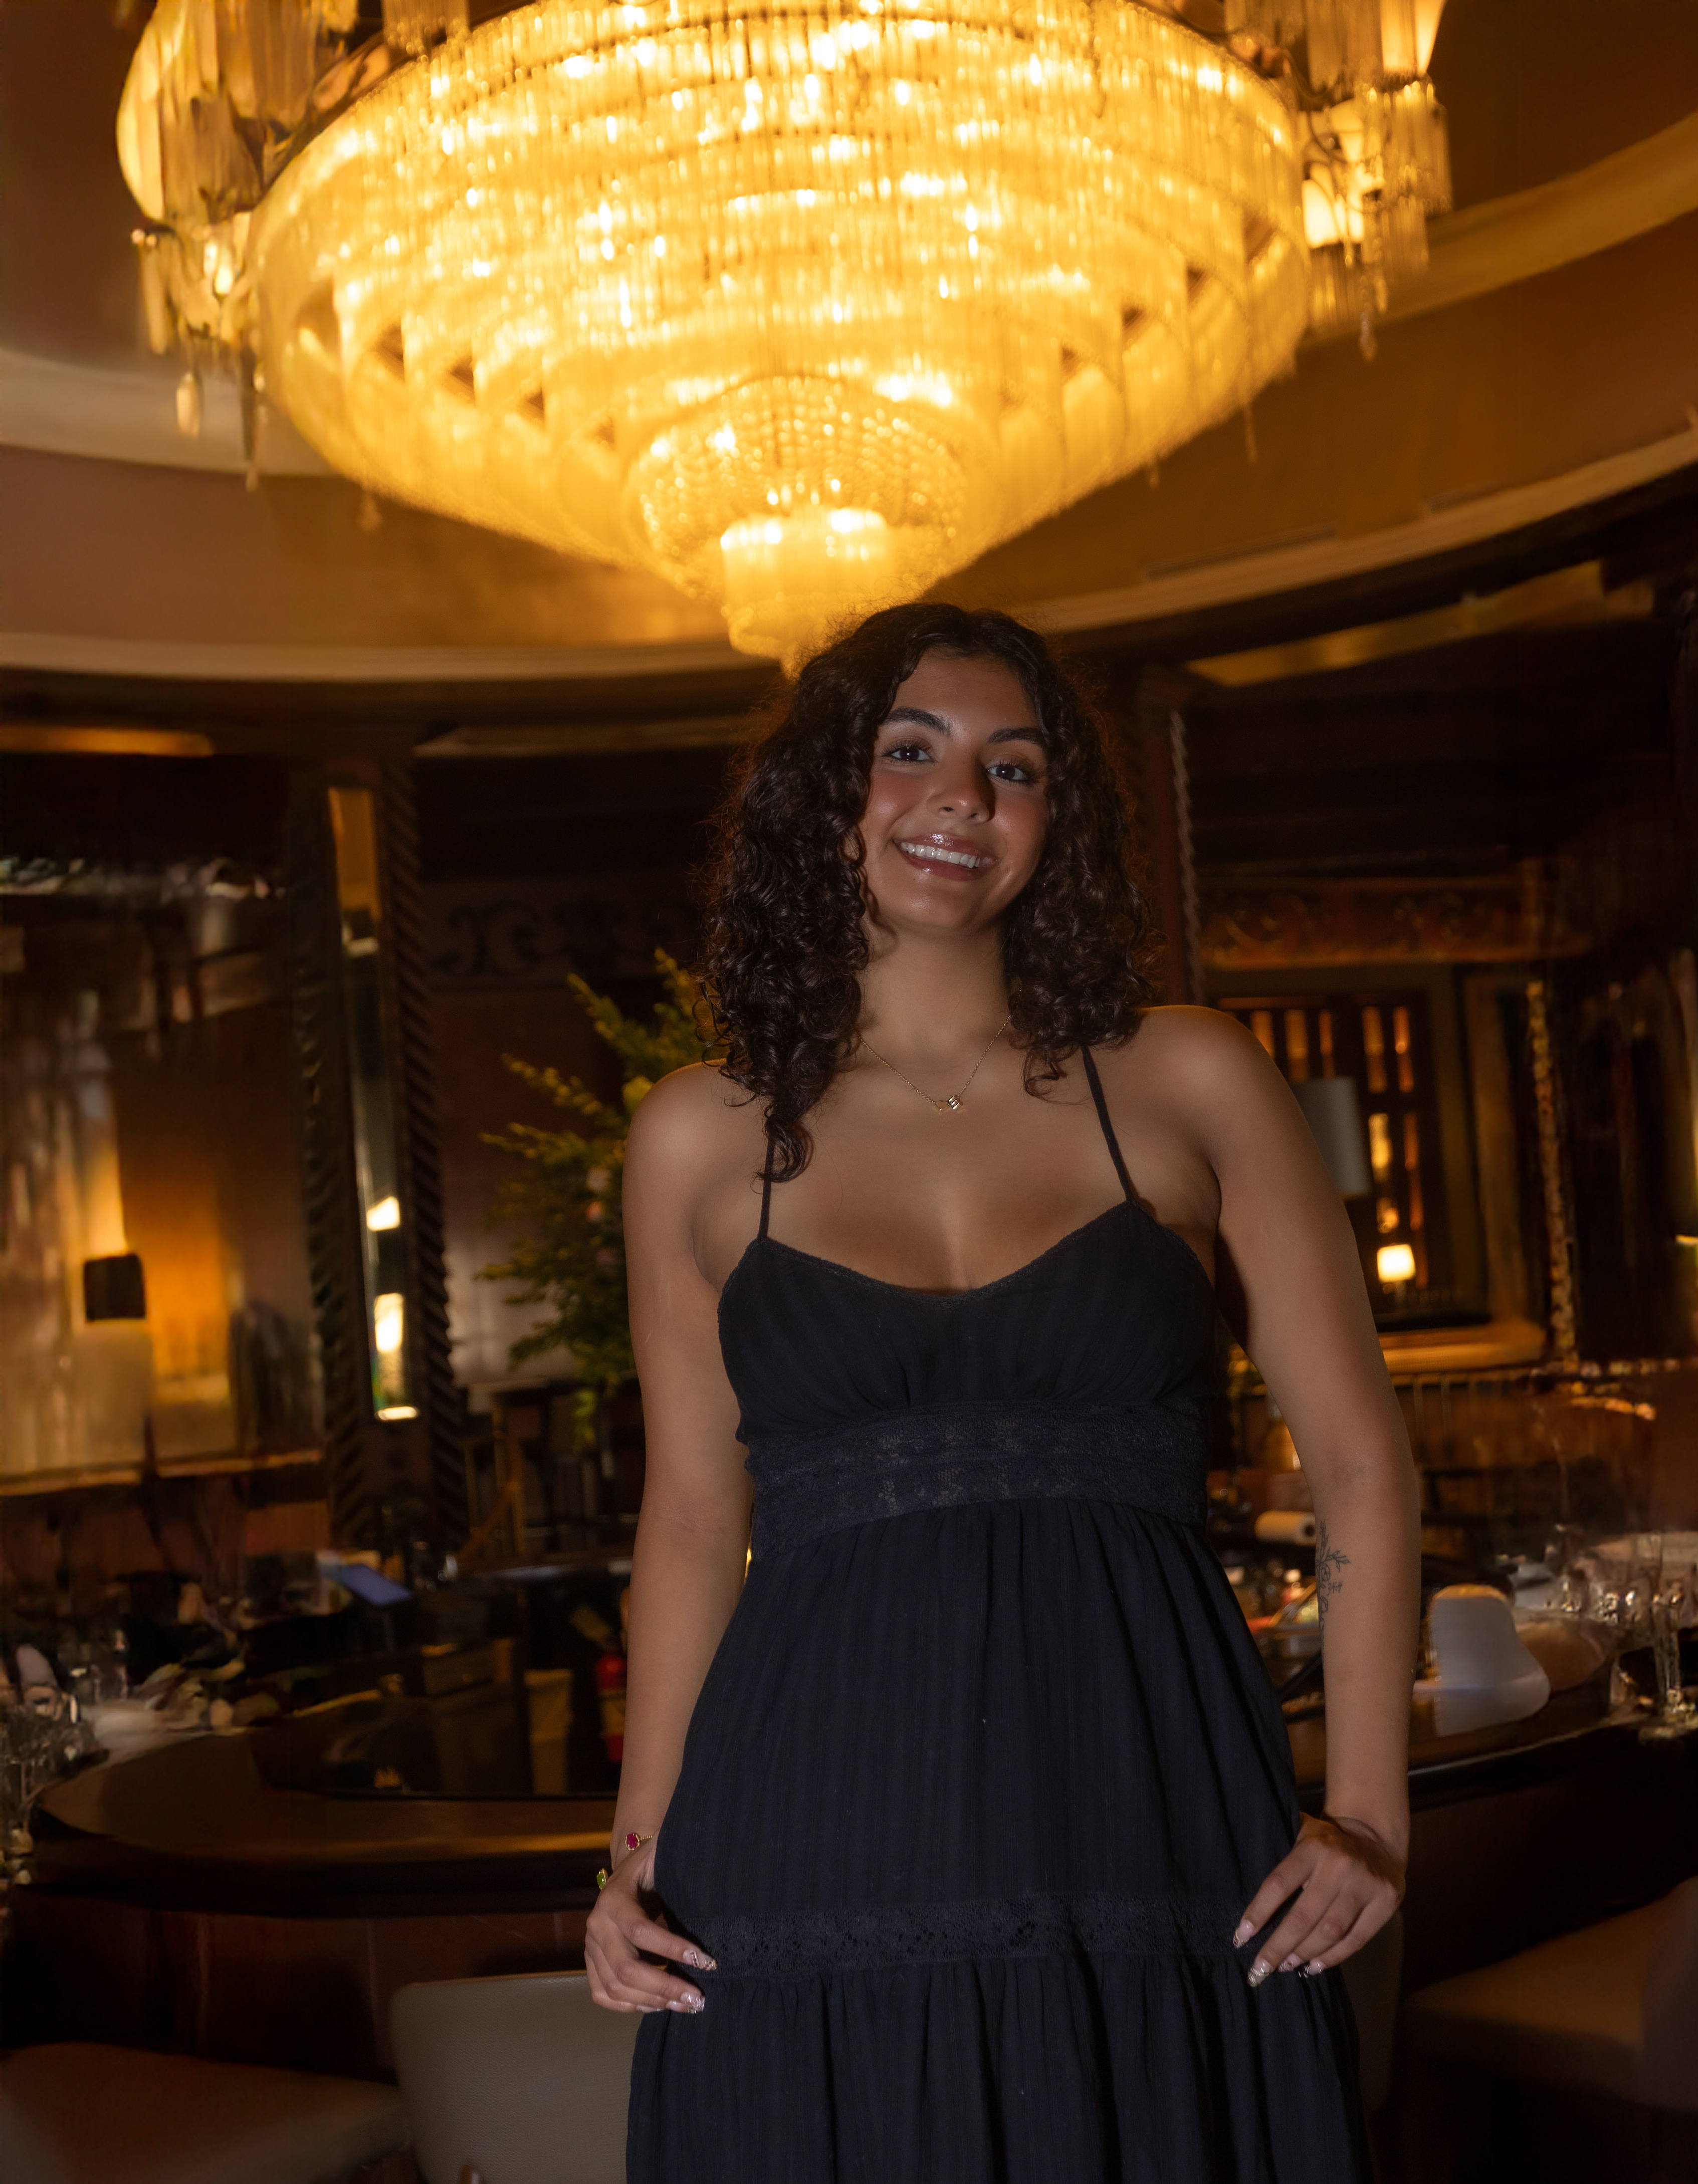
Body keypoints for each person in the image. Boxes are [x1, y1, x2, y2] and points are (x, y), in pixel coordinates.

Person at [585, 604, 1420, 2182]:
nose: (962, 798)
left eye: (1013, 767)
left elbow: (1363, 1468)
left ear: (1058, 821)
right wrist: (634, 1856)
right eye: (909, 751)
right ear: (828, 797)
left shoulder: (1189, 1078)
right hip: (809, 1829)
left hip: (1148, 1793)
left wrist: (1370, 1815)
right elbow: (692, 1520)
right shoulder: (698, 1136)